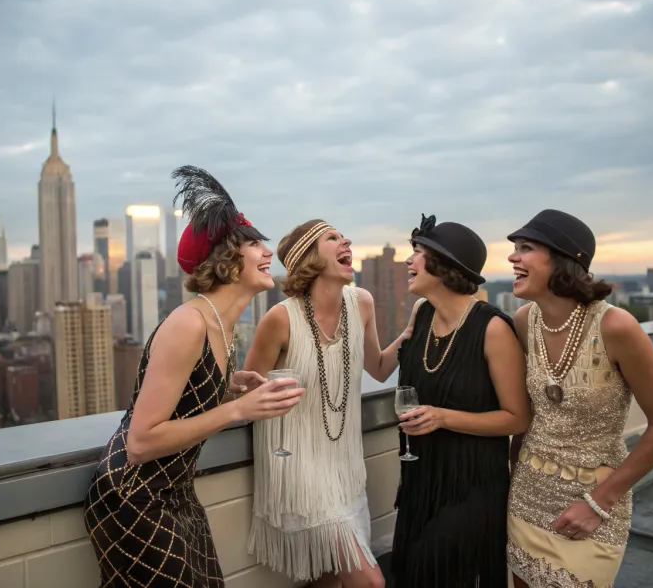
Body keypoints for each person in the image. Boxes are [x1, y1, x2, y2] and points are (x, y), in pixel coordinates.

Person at [83, 166, 305, 588]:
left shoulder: (222, 327)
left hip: (176, 494)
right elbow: (141, 442)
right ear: (225, 261)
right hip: (133, 496)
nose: (267, 251)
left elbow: (186, 393)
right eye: (254, 244)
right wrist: (237, 409)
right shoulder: (188, 324)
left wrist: (230, 384)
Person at [506, 209, 653, 588]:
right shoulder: (523, 321)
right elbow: (531, 412)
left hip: (594, 506)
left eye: (526, 247)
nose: (512, 257)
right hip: (526, 498)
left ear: (563, 259)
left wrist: (598, 503)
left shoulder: (617, 327)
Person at [245, 219, 417, 588]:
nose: (347, 241)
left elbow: (380, 368)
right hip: (297, 463)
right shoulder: (279, 319)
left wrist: (408, 334)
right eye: (333, 238)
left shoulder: (363, 303)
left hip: (344, 463)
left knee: (326, 578)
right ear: (309, 257)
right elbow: (247, 389)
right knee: (370, 582)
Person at [391, 214, 531, 587]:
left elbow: (518, 418)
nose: (409, 260)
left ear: (445, 265)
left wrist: (443, 417)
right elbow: (378, 365)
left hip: (472, 484)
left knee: (434, 571)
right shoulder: (421, 315)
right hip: (420, 481)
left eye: (417, 252)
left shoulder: (493, 328)